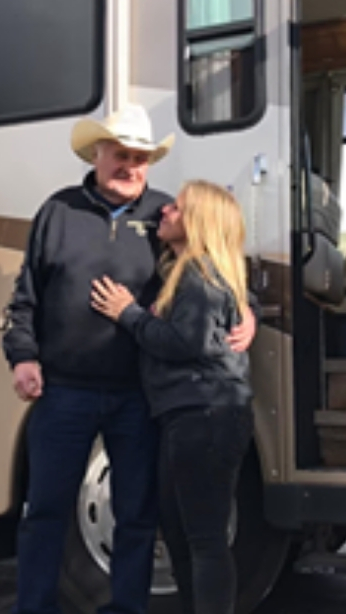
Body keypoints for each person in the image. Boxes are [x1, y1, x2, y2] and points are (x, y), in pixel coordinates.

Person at [1, 104, 257, 614]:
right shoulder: (57, 211)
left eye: (141, 158)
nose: (131, 167)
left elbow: (217, 262)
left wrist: (247, 310)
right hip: (64, 390)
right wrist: (21, 356)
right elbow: (26, 293)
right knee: (46, 509)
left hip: (139, 395)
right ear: (97, 154)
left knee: (136, 514)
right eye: (121, 155)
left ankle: (127, 609)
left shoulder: (167, 215)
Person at [90, 180, 254, 614]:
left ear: (198, 223)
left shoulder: (201, 278)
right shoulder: (192, 272)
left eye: (177, 210)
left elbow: (185, 342)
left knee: (203, 538)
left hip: (206, 414)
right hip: (188, 414)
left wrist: (127, 314)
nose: (164, 212)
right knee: (183, 533)